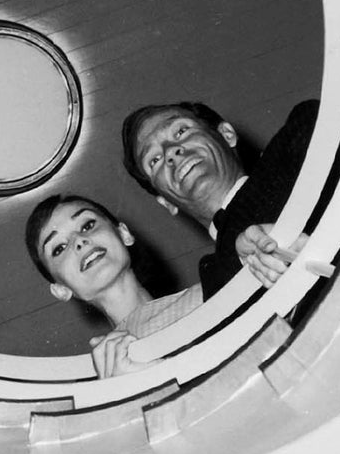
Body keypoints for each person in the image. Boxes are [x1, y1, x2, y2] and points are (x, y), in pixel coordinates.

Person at [120, 98, 319, 299]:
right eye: (154, 160)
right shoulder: (214, 279)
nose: (170, 151)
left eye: (181, 131)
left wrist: (238, 238)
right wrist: (237, 256)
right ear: (166, 202)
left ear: (227, 134)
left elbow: (313, 117)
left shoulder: (289, 153)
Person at [24, 193, 202, 377]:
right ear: (61, 290)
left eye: (87, 225)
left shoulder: (209, 293)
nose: (79, 240)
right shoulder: (102, 379)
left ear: (124, 234)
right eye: (59, 248)